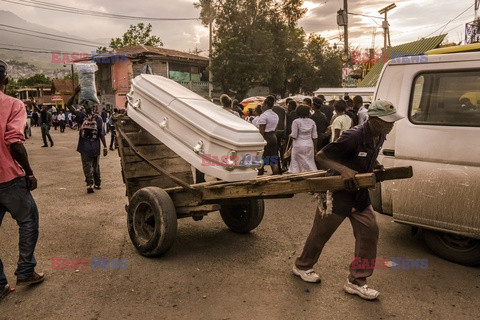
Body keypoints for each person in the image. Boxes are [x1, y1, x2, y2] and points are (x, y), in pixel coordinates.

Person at [292, 100, 404, 300]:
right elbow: (321, 156)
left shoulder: (380, 134)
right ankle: (302, 266)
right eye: (388, 121)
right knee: (320, 234)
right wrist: (344, 170)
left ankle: (357, 281)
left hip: (360, 195)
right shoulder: (353, 136)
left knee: (369, 233)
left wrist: (375, 165)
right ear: (375, 120)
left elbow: (367, 155)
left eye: (393, 121)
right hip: (338, 194)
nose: (391, 124)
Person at [0, 60, 44, 302]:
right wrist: (29, 172)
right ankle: (26, 271)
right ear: (6, 80)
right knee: (28, 221)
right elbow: (14, 142)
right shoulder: (13, 104)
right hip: (9, 178)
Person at [66, 86, 108, 193]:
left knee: (86, 166)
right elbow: (101, 134)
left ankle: (90, 184)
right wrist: (105, 146)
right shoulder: (97, 118)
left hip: (84, 147)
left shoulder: (81, 116)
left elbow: (68, 105)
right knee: (95, 166)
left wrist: (75, 93)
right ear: (94, 107)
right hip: (96, 147)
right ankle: (97, 183)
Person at [288, 105, 318, 173]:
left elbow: (294, 135)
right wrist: (315, 148)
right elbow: (315, 137)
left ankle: (297, 175)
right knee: (309, 161)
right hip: (309, 144)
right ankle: (312, 173)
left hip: (298, 145)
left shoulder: (296, 122)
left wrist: (289, 136)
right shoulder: (312, 122)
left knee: (296, 162)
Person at [257, 95, 280, 175]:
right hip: (273, 137)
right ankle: (276, 176)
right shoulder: (275, 115)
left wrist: (260, 141)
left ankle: (260, 176)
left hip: (265, 137)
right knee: (273, 159)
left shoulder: (264, 116)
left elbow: (261, 130)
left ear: (266, 105)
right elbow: (276, 129)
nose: (262, 105)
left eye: (263, 104)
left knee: (261, 158)